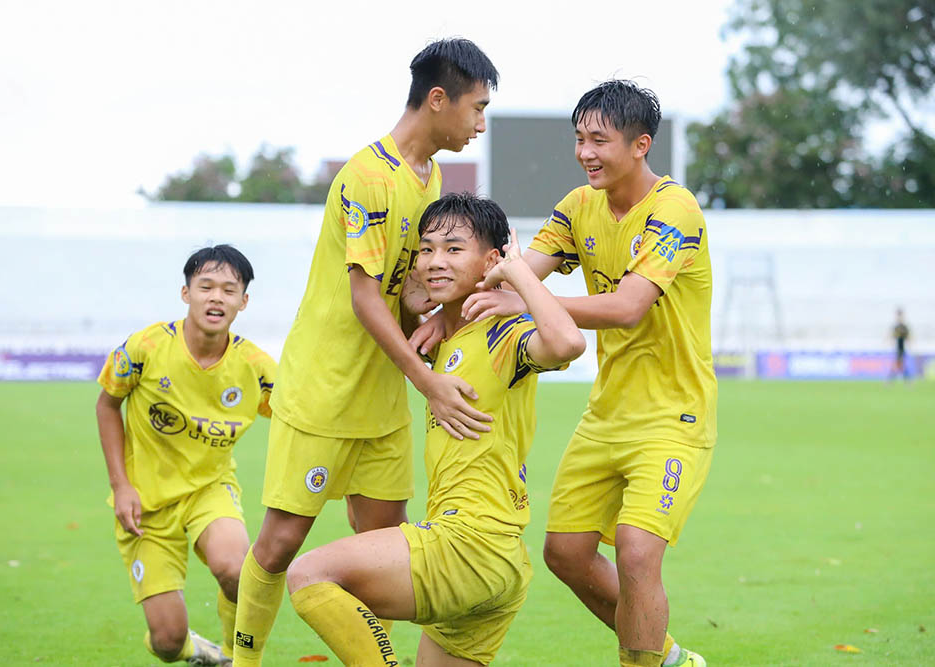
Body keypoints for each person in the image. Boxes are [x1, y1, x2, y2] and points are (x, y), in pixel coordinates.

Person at [414, 80, 716, 667]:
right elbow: (506, 273)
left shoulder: (674, 209)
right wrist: (440, 320)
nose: (585, 153)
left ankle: (644, 663)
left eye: (599, 140)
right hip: (605, 415)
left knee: (635, 552)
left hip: (673, 418)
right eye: (579, 139)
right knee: (565, 555)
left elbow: (629, 307)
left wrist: (528, 299)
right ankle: (669, 656)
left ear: (640, 144)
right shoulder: (579, 207)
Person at [231, 39, 499, 666]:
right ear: (439, 100)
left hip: (381, 399)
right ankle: (243, 661)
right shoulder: (368, 176)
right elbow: (363, 297)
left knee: (380, 550)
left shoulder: (429, 176)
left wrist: (431, 318)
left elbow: (403, 290)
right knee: (279, 544)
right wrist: (428, 381)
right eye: (477, 108)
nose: (481, 124)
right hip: (326, 390)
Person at [285, 192, 585, 666]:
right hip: (498, 561)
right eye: (426, 249)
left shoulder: (502, 332)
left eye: (452, 248)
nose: (433, 261)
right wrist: (426, 310)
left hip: (468, 545)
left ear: (491, 258)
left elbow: (568, 341)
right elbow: (403, 297)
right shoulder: (444, 338)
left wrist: (517, 273)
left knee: (310, 575)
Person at [95, 245, 277, 666]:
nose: (216, 297)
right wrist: (121, 487)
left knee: (237, 569)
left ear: (243, 301)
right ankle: (198, 651)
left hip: (209, 490)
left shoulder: (255, 366)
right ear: (186, 293)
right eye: (206, 287)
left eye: (229, 290)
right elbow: (107, 405)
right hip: (147, 504)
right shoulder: (145, 347)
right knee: (167, 642)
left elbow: (294, 417)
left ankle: (236, 657)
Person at [890, 307, 911, 381]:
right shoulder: (896, 326)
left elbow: (908, 337)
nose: (899, 317)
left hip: (902, 348)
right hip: (898, 348)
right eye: (898, 315)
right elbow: (892, 336)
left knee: (898, 365)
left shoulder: (904, 327)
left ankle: (890, 380)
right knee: (899, 365)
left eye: (900, 315)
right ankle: (907, 380)